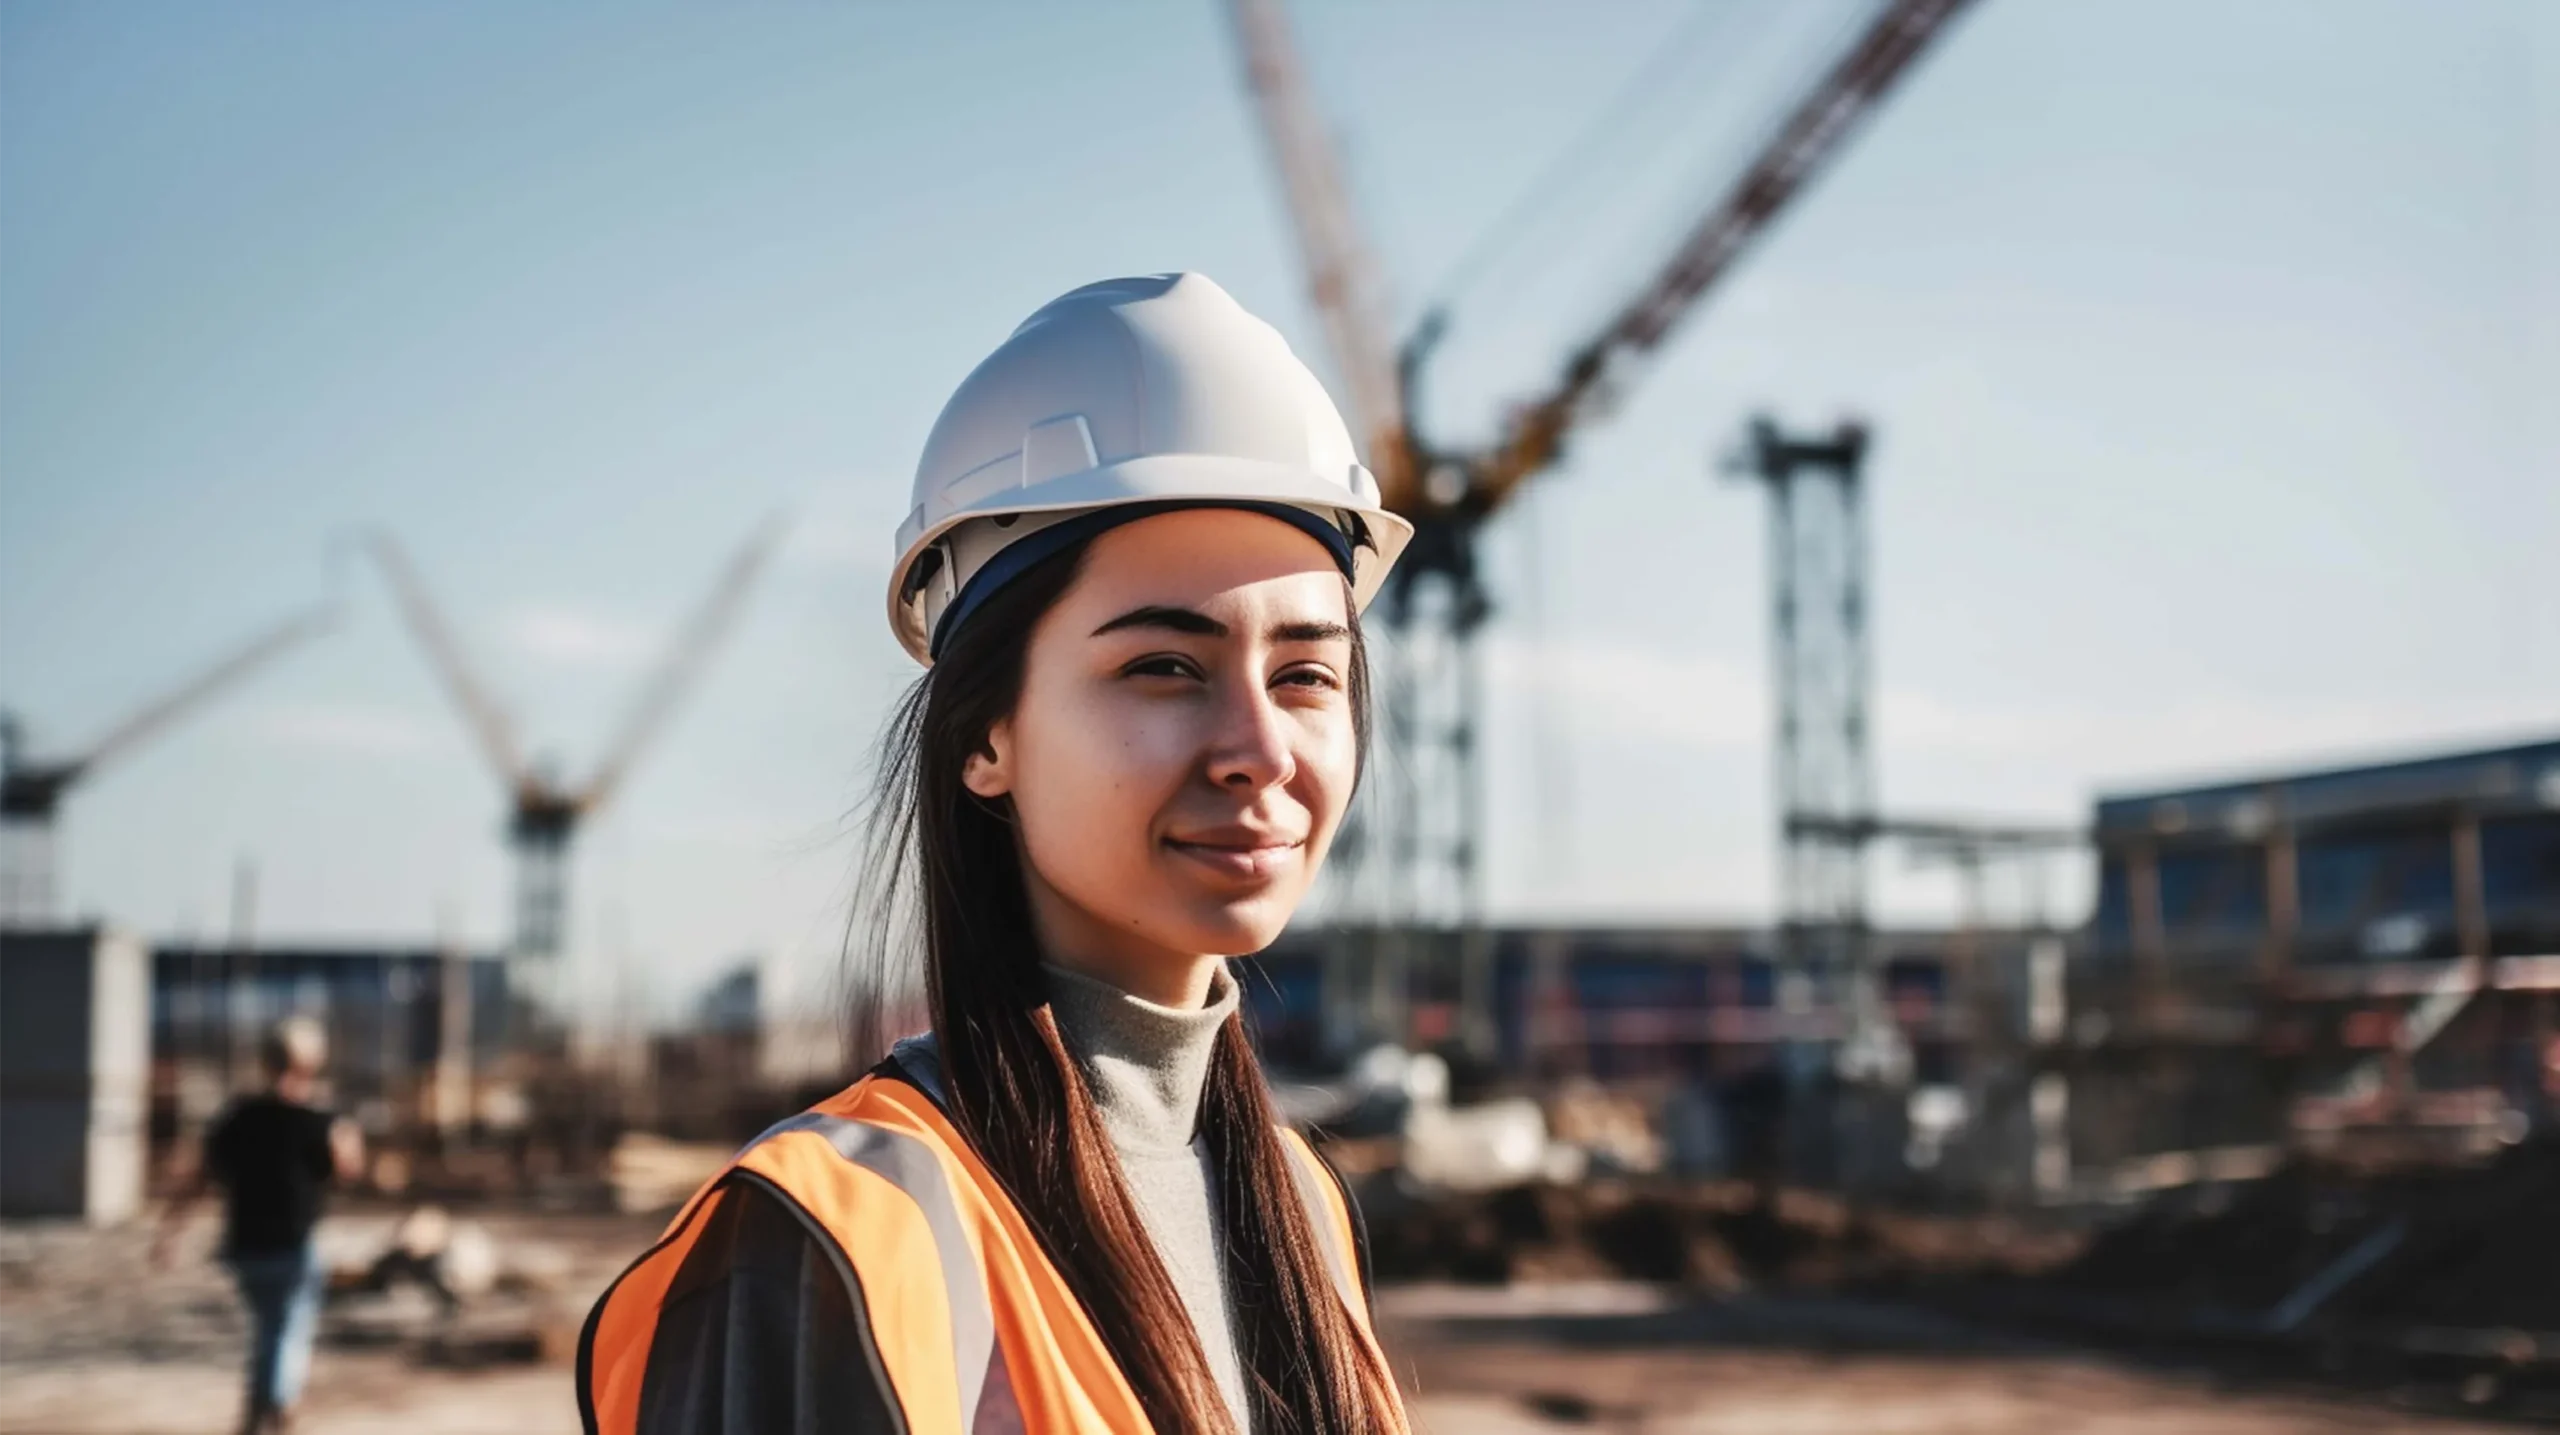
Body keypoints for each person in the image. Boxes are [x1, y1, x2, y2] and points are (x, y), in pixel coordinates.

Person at [578, 273, 1414, 1434]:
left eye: (1305, 675)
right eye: (1162, 667)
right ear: (985, 735)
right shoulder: (841, 1231)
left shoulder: (1300, 1206)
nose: (1259, 749)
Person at [154, 1015, 366, 1435]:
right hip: (292, 1245)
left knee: (268, 1331)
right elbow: (348, 1170)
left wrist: (169, 1234)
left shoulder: (238, 1117)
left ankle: (255, 1412)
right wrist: (347, 1141)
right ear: (311, 1065)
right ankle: (278, 1404)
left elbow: (200, 1177)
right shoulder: (318, 1120)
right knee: (288, 1330)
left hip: (245, 1248)